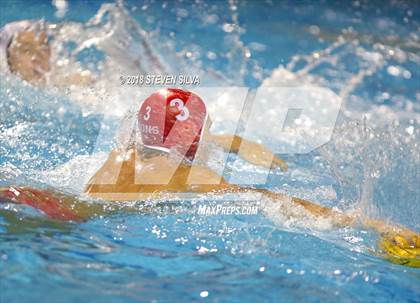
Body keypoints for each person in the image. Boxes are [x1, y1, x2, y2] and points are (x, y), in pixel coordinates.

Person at [1, 88, 418, 267]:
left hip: (45, 198)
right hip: (71, 220)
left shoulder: (121, 153)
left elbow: (160, 131)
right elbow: (271, 200)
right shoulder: (194, 178)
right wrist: (368, 224)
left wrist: (227, 139)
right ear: (195, 141)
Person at [0, 20, 92, 86]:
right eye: (26, 50)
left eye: (43, 47)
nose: (37, 56)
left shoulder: (72, 86)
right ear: (8, 59)